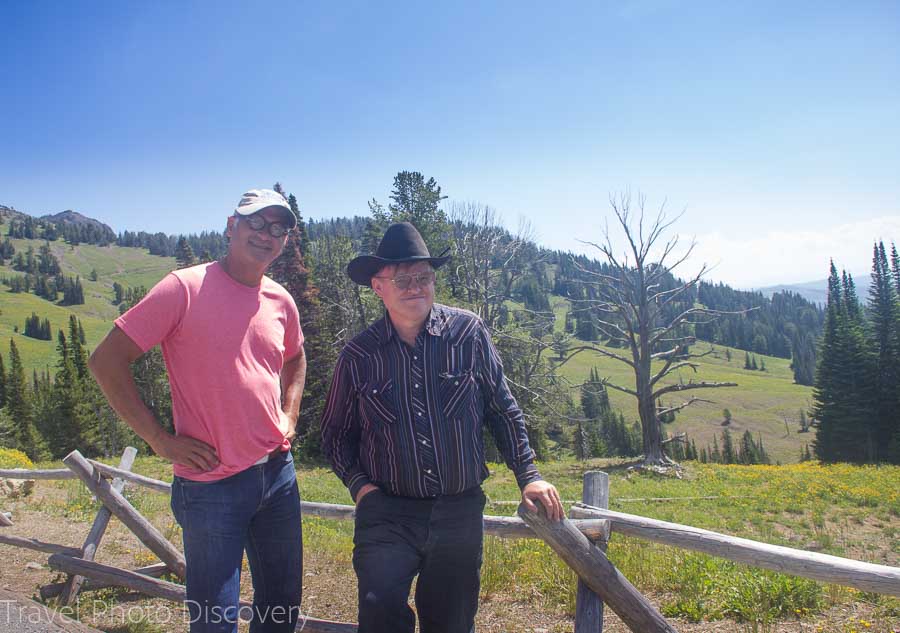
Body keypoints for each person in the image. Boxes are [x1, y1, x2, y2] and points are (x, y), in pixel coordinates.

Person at [320, 222, 563, 633]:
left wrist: (529, 476)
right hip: (387, 513)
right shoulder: (358, 355)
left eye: (424, 277)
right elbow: (335, 435)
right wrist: (362, 489)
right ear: (378, 286)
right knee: (379, 614)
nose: (415, 286)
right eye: (402, 278)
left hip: (457, 510)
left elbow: (501, 408)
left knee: (451, 622)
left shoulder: (467, 333)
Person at [89, 189, 307, 633]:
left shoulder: (280, 300)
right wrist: (159, 440)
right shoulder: (184, 288)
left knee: (282, 604)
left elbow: (295, 357)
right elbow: (105, 360)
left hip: (278, 472)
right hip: (212, 485)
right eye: (256, 223)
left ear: (285, 239)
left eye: (278, 227)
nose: (267, 235)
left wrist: (290, 413)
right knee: (214, 618)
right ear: (231, 226)